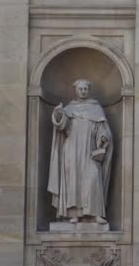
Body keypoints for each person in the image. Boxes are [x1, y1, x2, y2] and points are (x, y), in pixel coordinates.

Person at [48, 79, 113, 225]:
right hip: (72, 149)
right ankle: (74, 214)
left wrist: (103, 137)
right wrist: (58, 114)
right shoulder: (70, 108)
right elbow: (61, 126)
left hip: (90, 149)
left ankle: (96, 214)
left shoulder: (96, 108)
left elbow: (103, 128)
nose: (83, 91)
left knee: (94, 178)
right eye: (80, 89)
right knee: (74, 180)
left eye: (85, 89)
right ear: (75, 90)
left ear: (88, 90)